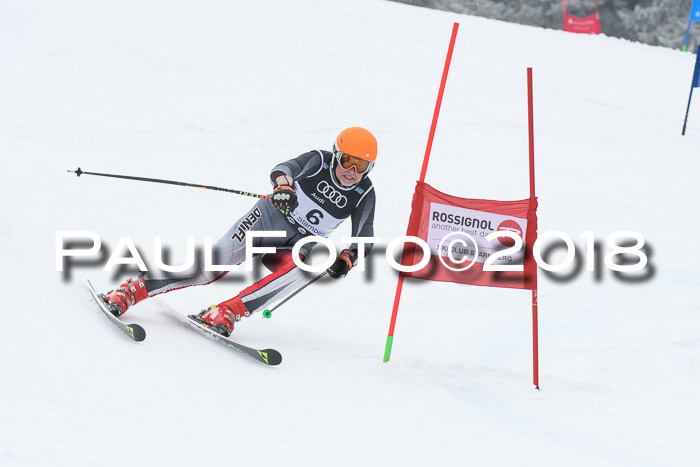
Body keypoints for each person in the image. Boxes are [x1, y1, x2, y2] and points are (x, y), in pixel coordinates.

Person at [102, 127, 377, 337]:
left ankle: (227, 311)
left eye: (361, 166)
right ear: (336, 154)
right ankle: (132, 290)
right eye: (347, 161)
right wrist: (284, 188)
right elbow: (284, 169)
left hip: (295, 247)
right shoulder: (319, 161)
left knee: (302, 271)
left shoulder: (364, 193)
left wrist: (347, 259)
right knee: (210, 268)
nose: (352, 171)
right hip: (267, 222)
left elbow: (364, 236)